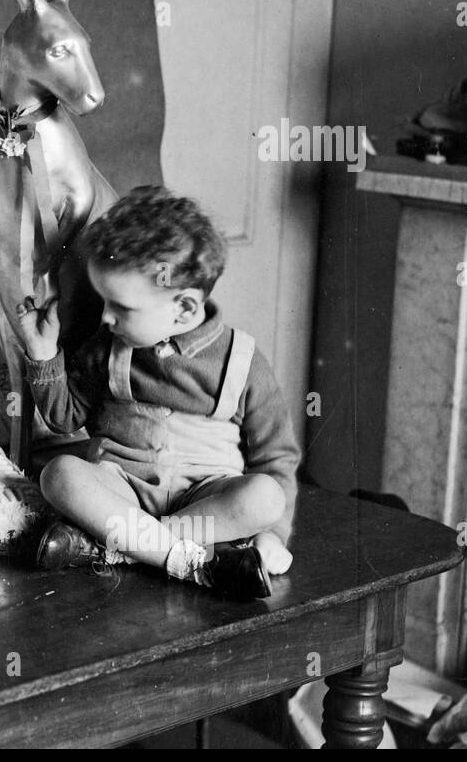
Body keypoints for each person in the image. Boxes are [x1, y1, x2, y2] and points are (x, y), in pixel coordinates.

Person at [18, 185, 300, 599]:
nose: (107, 317)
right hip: (123, 491)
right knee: (59, 474)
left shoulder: (242, 361)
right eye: (103, 302)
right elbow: (65, 417)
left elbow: (276, 457)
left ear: (184, 308)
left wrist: (273, 537)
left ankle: (120, 547)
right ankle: (191, 563)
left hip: (203, 508)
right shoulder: (107, 345)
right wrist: (43, 354)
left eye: (122, 307)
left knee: (265, 497)